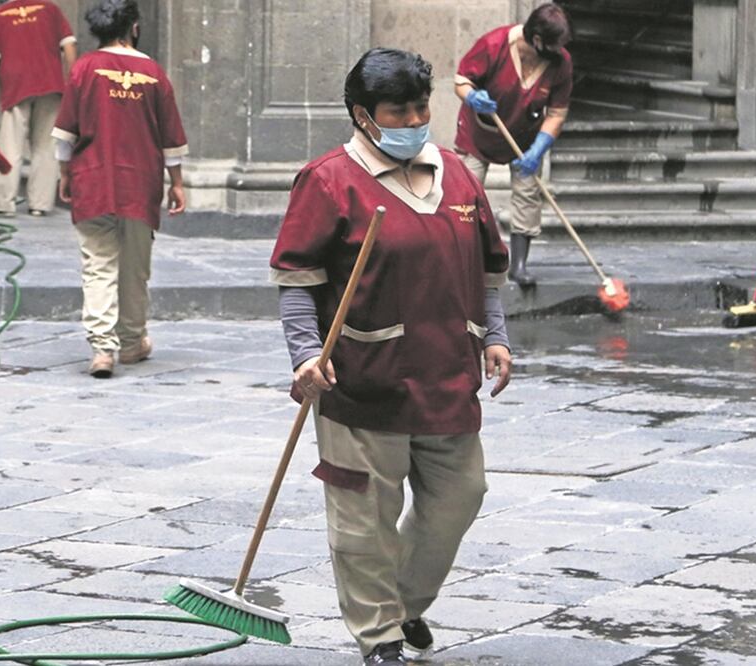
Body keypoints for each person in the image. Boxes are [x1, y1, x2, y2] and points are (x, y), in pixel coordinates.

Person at [269, 48, 512, 666]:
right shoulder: (327, 180)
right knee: (364, 521)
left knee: (461, 495)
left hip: (447, 375)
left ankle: (403, 605)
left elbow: (487, 271)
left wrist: (496, 336)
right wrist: (305, 355)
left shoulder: (458, 175)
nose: (413, 120)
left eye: (420, 108)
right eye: (398, 112)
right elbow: (297, 280)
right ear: (363, 115)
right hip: (362, 379)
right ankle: (379, 636)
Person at [51, 0, 187, 378]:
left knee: (98, 264)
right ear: (134, 28)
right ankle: (131, 342)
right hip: (140, 183)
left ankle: (101, 349)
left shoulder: (83, 68)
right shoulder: (153, 73)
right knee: (135, 268)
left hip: (92, 179)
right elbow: (171, 137)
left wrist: (65, 174)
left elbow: (65, 133)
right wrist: (177, 183)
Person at [453, 3, 573, 287]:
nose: (560, 51)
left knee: (528, 194)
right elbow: (462, 81)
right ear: (538, 40)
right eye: (555, 45)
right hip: (480, 133)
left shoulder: (561, 62)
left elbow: (557, 113)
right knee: (465, 195)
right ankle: (466, 261)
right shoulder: (494, 45)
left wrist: (538, 148)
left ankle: (519, 266)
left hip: (525, 138)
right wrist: (472, 97)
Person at [0, 0, 77, 217]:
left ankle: (2, 203)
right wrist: (72, 80)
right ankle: (40, 204)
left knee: (10, 147)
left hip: (16, 87)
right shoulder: (50, 9)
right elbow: (69, 45)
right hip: (51, 84)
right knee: (46, 146)